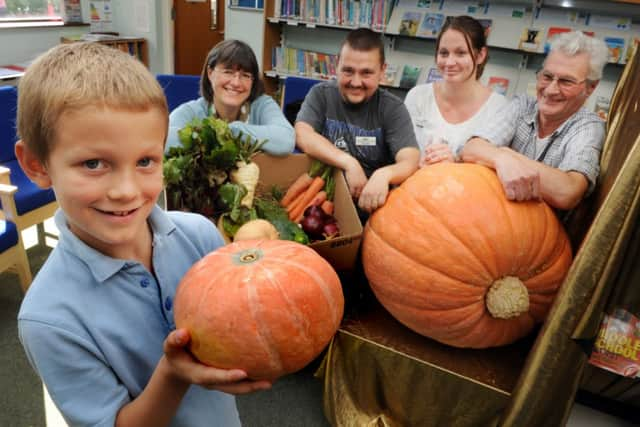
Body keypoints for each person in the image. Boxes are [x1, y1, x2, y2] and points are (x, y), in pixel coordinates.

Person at [15, 42, 270, 427]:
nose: (126, 191)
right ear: (37, 165)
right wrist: (173, 374)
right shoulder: (49, 318)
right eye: (94, 163)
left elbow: (240, 322)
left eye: (146, 161)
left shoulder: (200, 236)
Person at [459, 31, 609, 211]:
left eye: (566, 81)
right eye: (547, 76)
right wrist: (502, 158)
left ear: (591, 87)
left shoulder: (588, 126)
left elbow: (567, 192)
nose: (551, 90)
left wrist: (507, 155)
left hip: (538, 233)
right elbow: (471, 148)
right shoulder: (522, 105)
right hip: (488, 213)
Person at [295, 28, 420, 215]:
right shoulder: (320, 95)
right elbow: (303, 134)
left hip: (373, 212)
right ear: (337, 65)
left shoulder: (393, 109)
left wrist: (384, 174)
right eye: (348, 71)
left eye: (366, 73)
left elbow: (410, 160)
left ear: (382, 71)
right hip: (317, 207)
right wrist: (348, 162)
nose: (355, 82)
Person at [404, 15, 508, 166]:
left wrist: (455, 163)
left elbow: (495, 170)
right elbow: (401, 154)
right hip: (414, 186)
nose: (450, 62)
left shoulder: (498, 108)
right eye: (444, 53)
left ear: (480, 55)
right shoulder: (418, 97)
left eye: (461, 53)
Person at [167, 39, 295, 156]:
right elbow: (162, 141)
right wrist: (211, 134)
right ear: (210, 73)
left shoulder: (262, 105)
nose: (236, 83)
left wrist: (231, 131)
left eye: (245, 75)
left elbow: (286, 140)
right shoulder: (191, 111)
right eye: (228, 72)